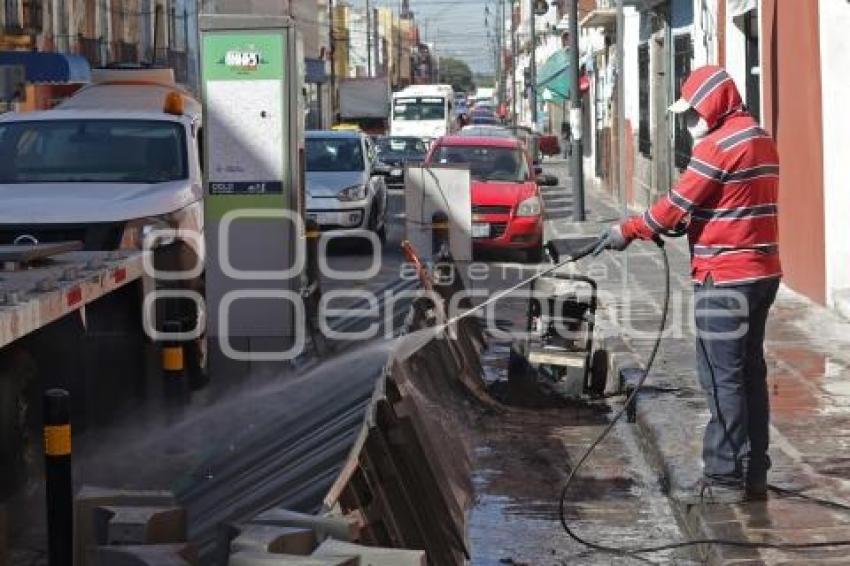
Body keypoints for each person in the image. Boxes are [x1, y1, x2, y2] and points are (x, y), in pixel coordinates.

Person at [595, 65, 782, 504]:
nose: (690, 121)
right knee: (750, 375)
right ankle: (755, 472)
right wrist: (689, 221)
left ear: (713, 104)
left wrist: (628, 229)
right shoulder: (760, 137)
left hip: (725, 280)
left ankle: (723, 478)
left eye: (693, 112)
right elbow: (725, 202)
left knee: (721, 379)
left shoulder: (716, 147)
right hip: (763, 273)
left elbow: (672, 206)